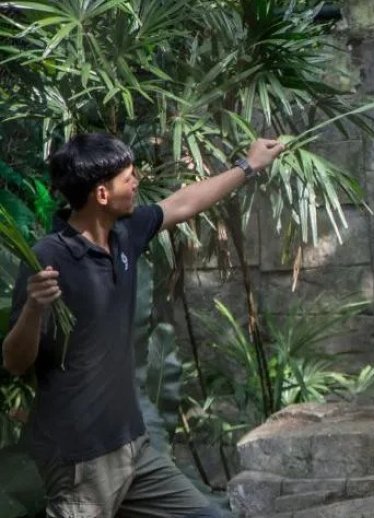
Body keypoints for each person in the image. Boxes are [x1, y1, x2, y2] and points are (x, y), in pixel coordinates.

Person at [2, 133, 284, 517]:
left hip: (134, 448)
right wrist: (35, 307)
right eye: (129, 177)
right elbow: (16, 362)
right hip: (82, 458)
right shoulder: (49, 257)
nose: (137, 182)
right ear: (103, 194)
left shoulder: (125, 232)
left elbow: (182, 203)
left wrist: (248, 166)